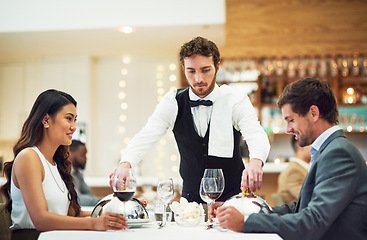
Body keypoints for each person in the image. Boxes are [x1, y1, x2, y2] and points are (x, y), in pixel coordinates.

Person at [112, 36, 270, 203]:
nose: (198, 79)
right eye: (191, 71)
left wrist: (255, 161)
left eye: (205, 70)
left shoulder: (235, 99)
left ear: (217, 67)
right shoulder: (173, 101)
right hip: (190, 202)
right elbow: (148, 134)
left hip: (233, 198)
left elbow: (255, 133)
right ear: (183, 68)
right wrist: (125, 164)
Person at [209, 78, 367, 240]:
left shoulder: (338, 154)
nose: (288, 129)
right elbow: (299, 210)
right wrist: (237, 209)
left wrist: (246, 222)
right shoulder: (329, 150)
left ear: (313, 113)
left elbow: (312, 222)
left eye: (291, 120)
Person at [0, 89, 127, 240]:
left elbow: (73, 214)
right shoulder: (29, 157)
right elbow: (41, 220)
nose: (73, 126)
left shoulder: (58, 164)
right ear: (46, 120)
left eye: (74, 119)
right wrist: (94, 223)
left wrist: (116, 210)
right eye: (68, 118)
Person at [277, 135, 311, 204]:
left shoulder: (299, 168)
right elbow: (308, 199)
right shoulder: (294, 171)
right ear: (301, 146)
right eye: (312, 144)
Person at [69, 139, 101, 206]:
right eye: (82, 155)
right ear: (70, 154)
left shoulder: (77, 173)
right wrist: (104, 202)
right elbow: (77, 199)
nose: (86, 158)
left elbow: (89, 193)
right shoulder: (67, 173)